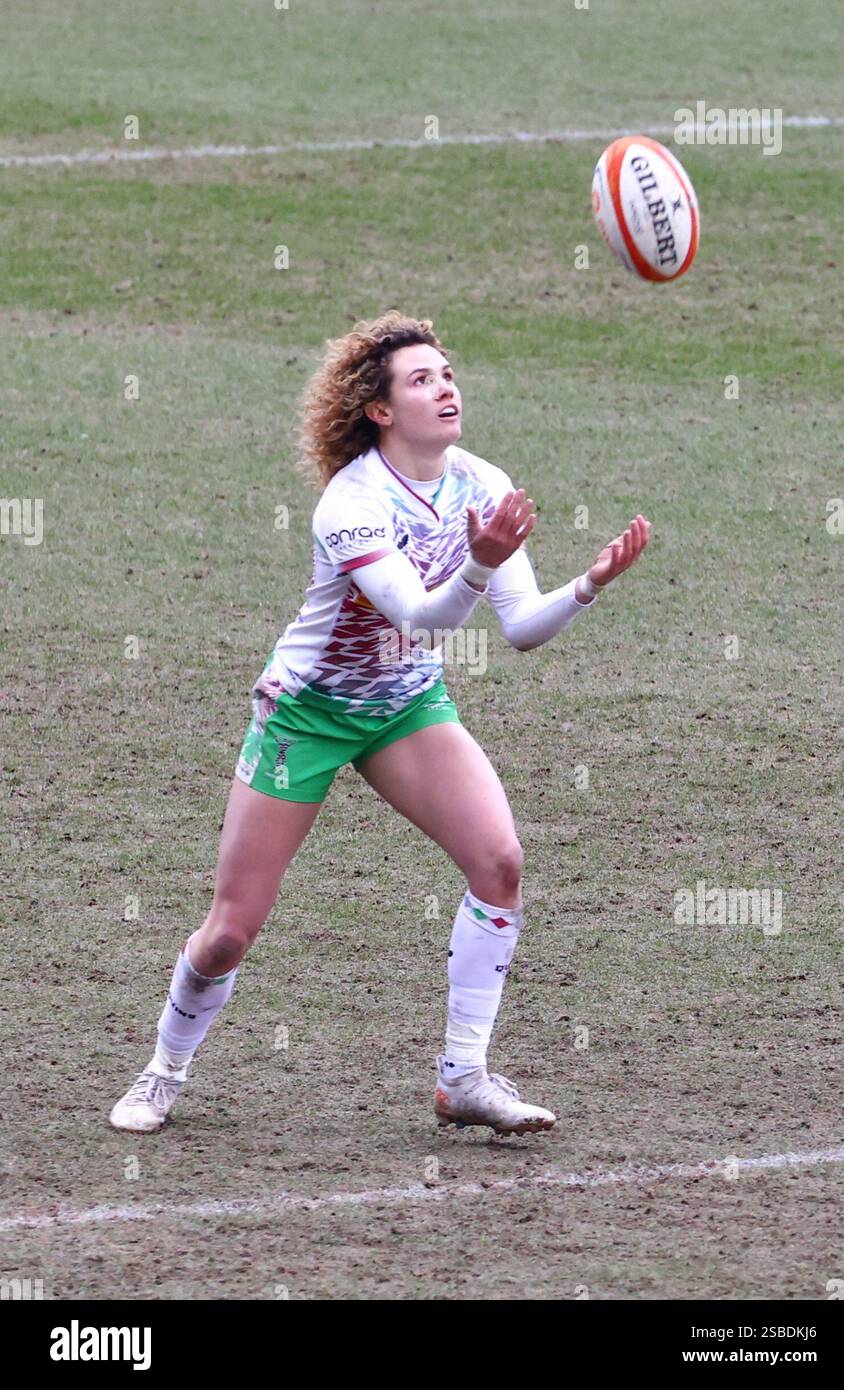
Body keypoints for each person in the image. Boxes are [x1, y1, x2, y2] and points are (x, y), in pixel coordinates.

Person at [110, 310, 650, 1137]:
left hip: (403, 706)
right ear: (381, 409)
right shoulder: (352, 502)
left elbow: (519, 628)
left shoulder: (481, 482)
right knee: (228, 935)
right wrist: (479, 564)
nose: (446, 388)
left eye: (447, 374)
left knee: (499, 863)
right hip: (308, 712)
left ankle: (463, 1079)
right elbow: (420, 619)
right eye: (422, 379)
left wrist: (586, 586)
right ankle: (163, 1072)